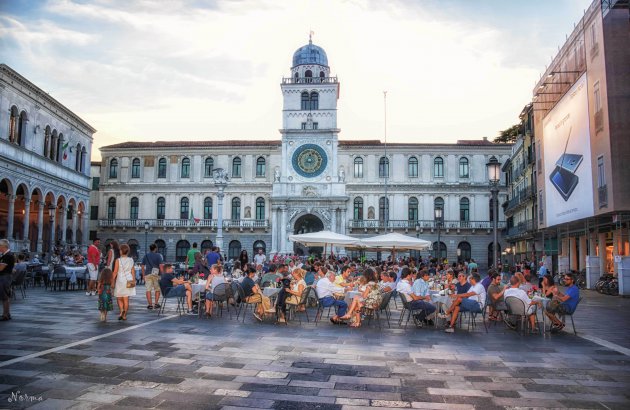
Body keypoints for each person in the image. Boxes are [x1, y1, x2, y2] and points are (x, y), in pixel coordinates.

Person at [112, 244, 136, 321]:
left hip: (120, 280)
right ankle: (124, 315)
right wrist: (134, 280)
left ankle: (121, 311)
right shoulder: (131, 260)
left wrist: (112, 281)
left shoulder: (118, 260)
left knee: (119, 297)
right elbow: (133, 271)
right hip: (129, 280)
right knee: (126, 298)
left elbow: (115, 272)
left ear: (121, 251)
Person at [141, 243, 164, 310]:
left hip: (148, 274)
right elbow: (161, 266)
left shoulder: (146, 255)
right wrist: (162, 274)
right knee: (157, 289)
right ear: (155, 248)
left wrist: (143, 275)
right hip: (156, 274)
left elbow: (142, 266)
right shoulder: (158, 255)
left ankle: (150, 304)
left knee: (148, 290)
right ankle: (156, 303)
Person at [0, 239, 15, 321]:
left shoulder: (7, 255)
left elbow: (1, 268)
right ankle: (6, 314)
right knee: (5, 296)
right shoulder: (6, 255)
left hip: (4, 277)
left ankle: (5, 315)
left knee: (4, 297)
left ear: (3, 246)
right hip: (6, 277)